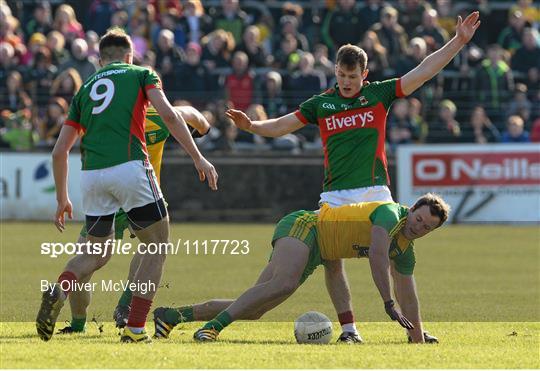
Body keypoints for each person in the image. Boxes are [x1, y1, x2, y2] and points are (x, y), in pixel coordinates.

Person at [225, 11, 480, 343]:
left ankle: (415, 332)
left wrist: (457, 42)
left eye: (353, 76)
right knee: (332, 261)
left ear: (365, 74)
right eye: (342, 75)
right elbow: (283, 124)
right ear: (335, 71)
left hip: (375, 192)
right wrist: (252, 126)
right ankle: (349, 330)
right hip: (335, 196)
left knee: (396, 255)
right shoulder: (321, 104)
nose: (347, 82)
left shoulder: (379, 95)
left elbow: (423, 71)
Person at [36, 27, 218, 343]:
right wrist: (198, 157)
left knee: (95, 254)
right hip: (130, 167)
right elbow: (172, 117)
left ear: (99, 59)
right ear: (129, 56)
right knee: (157, 243)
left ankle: (61, 287)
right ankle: (135, 329)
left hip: (92, 175)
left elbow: (59, 150)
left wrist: (62, 198)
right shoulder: (141, 74)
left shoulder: (85, 89)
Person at [152, 193, 450, 344]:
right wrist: (387, 303)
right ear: (410, 209)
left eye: (427, 228)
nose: (418, 227)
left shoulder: (406, 249)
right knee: (285, 284)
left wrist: (417, 337)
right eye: (418, 219)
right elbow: (376, 255)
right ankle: (211, 328)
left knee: (255, 307)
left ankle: (172, 316)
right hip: (305, 226)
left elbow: (408, 295)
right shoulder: (389, 215)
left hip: (319, 250)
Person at [56, 105, 211, 334]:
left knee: (85, 260)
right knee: (155, 247)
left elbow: (70, 145)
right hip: (146, 195)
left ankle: (77, 322)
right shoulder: (166, 114)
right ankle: (126, 304)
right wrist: (197, 134)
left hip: (108, 195)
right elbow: (202, 123)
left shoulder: (107, 115)